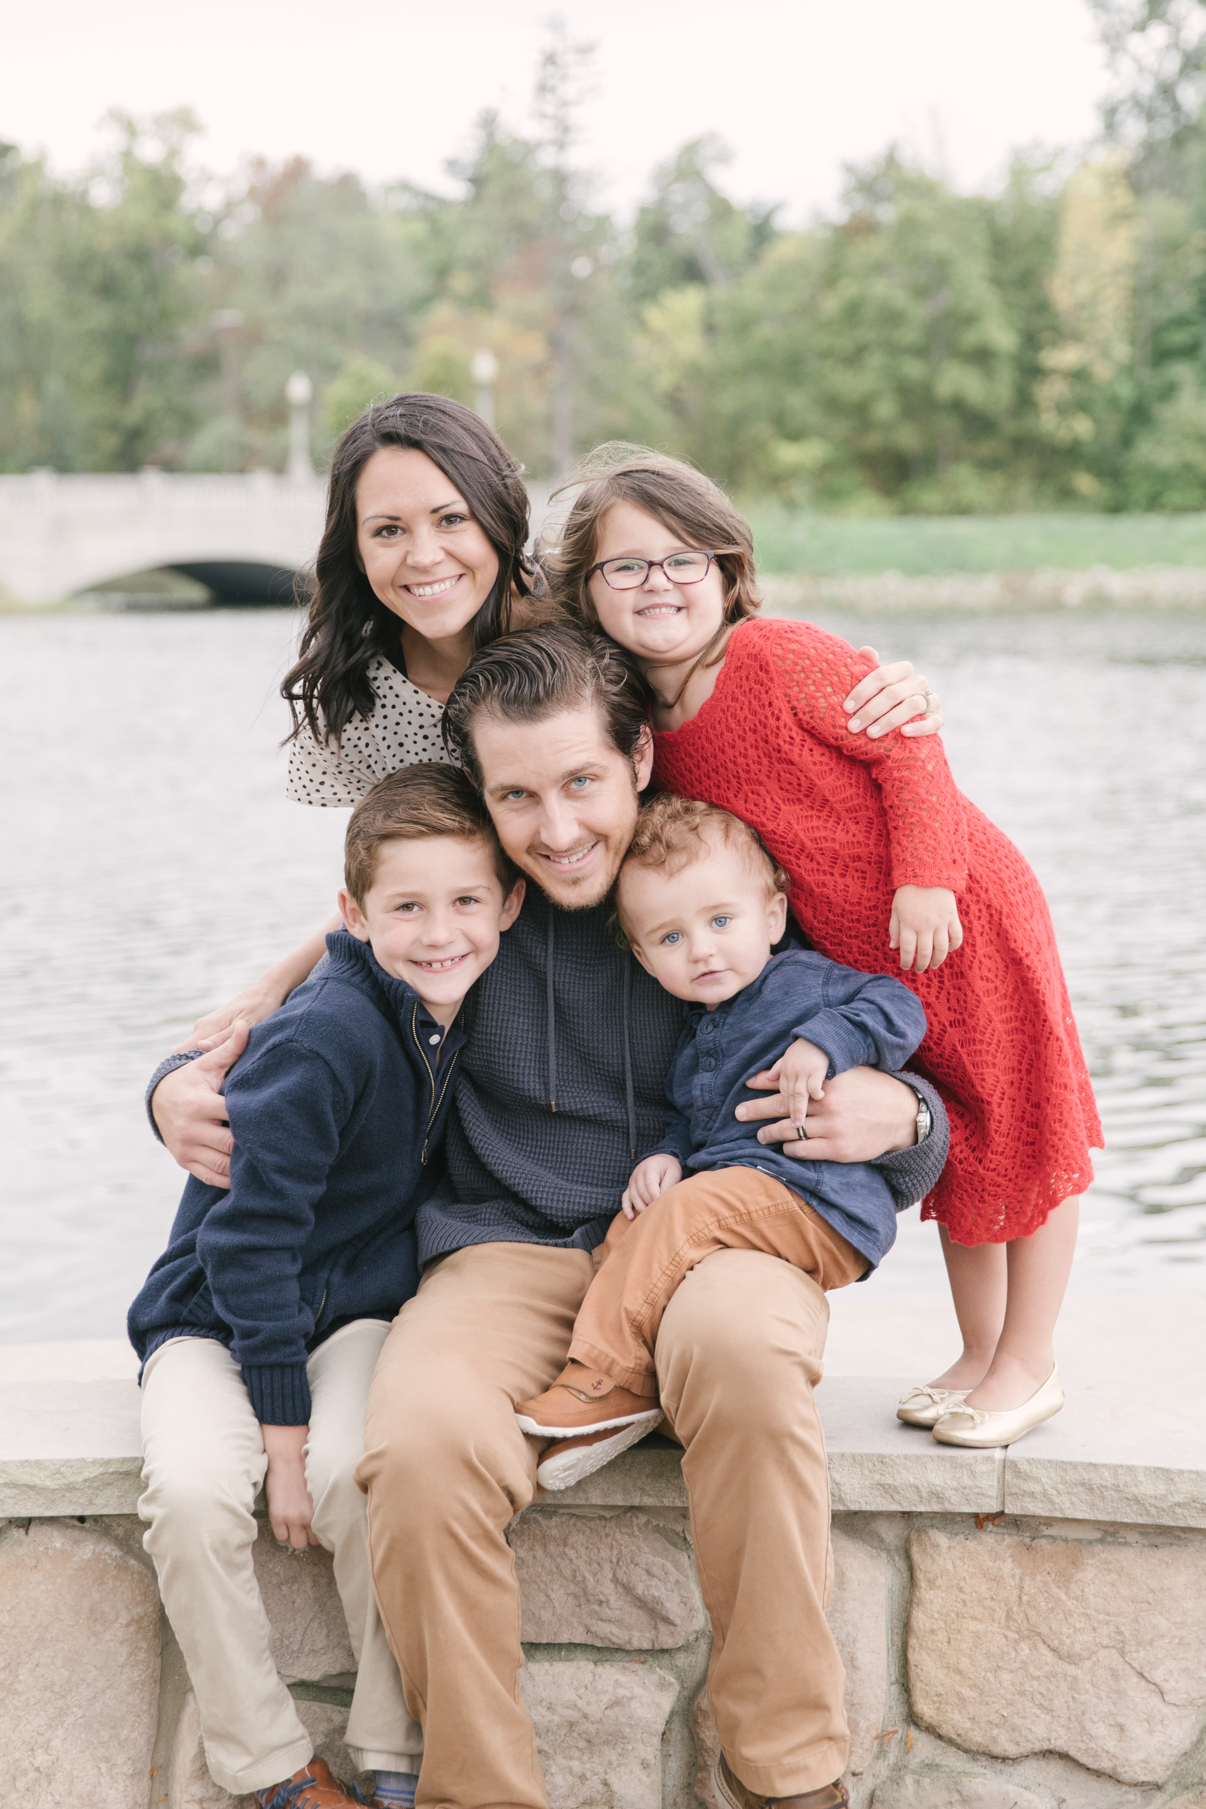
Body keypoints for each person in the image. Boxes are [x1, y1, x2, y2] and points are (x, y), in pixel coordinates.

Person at [150, 624, 948, 1809]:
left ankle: (787, 1778)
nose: (559, 826)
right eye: (518, 796)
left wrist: (907, 1119)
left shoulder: (710, 871)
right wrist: (170, 1078)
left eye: (582, 781)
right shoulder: (469, 917)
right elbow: (329, 990)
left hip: (713, 1237)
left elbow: (866, 1017)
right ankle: (481, 1794)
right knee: (414, 1451)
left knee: (742, 1354)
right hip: (502, 1249)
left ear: (638, 756)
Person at [548, 444, 1104, 1448]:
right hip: (870, 959)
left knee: (1025, 1116)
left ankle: (1030, 1357)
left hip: (954, 910)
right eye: (625, 566)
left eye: (685, 559)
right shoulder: (647, 728)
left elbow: (908, 747)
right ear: (587, 592)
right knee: (961, 1137)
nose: (659, 583)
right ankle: (977, 1352)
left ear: (726, 569)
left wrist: (927, 876)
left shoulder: (776, 656)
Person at [174, 391, 948, 1070]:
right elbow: (408, 887)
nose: (423, 555)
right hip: (519, 999)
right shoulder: (368, 696)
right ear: (354, 544)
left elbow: (720, 652)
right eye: (387, 530)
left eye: (451, 518)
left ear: (498, 516)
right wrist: (276, 986)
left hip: (690, 952)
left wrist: (883, 692)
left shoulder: (584, 614)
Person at [130, 765, 523, 1809]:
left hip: (350, 1311)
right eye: (407, 908)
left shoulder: (450, 1005)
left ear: (508, 905)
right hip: (214, 1317)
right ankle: (272, 1771)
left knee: (377, 1473)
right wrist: (283, 1437)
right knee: (194, 1495)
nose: (441, 931)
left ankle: (394, 1758)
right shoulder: (328, 1033)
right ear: (352, 917)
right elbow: (249, 1243)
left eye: (466, 903)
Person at [515, 793, 937, 1488]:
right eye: (672, 938)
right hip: (747, 1195)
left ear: (772, 915)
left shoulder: (802, 983)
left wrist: (824, 1043)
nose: (702, 948)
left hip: (818, 1200)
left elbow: (899, 1005)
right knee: (634, 1225)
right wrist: (667, 1154)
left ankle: (603, 1378)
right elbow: (704, 1120)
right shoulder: (698, 1037)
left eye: (720, 920)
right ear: (646, 960)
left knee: (685, 1212)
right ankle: (634, 1392)